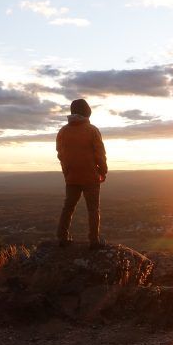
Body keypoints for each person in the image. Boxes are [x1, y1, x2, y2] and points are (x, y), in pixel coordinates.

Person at [56, 99, 108, 249]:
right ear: (87, 111)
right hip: (91, 176)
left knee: (68, 207)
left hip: (71, 176)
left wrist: (67, 171)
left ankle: (62, 237)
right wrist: (103, 170)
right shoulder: (91, 130)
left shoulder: (63, 131)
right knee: (93, 209)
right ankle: (94, 241)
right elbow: (100, 153)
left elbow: (60, 154)